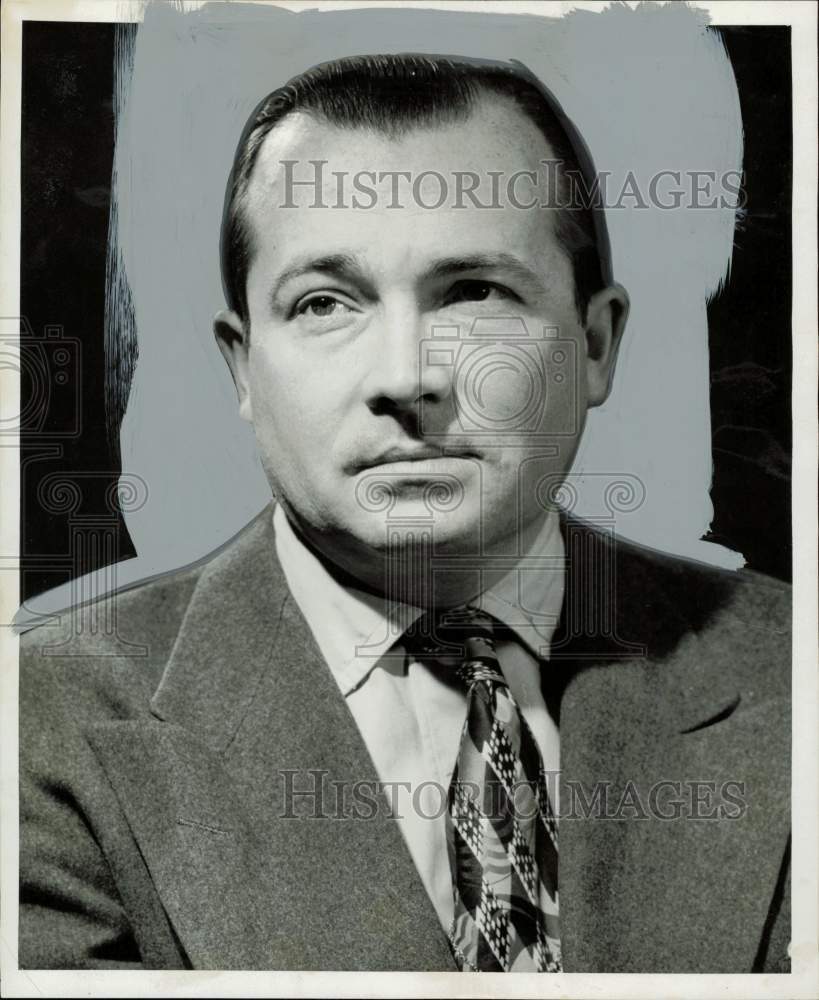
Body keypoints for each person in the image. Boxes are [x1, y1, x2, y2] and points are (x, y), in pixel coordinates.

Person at [19, 54, 790, 973]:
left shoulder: (796, 670)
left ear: (594, 343)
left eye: (473, 292)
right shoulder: (38, 719)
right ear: (242, 367)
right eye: (324, 303)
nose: (404, 378)